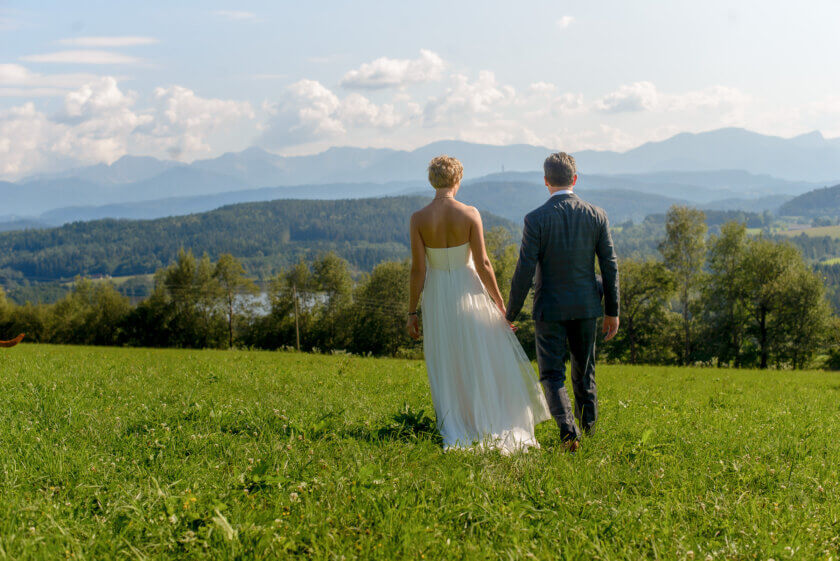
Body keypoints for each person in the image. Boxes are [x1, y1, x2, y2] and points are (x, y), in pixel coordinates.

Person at [406, 155, 550, 454]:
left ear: (432, 181)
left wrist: (411, 311)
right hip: (467, 289)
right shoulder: (470, 213)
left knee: (448, 357)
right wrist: (500, 303)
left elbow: (418, 270)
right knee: (479, 354)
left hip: (437, 294)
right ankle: (486, 415)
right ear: (457, 180)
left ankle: (457, 420)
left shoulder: (418, 218)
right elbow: (483, 263)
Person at [506, 152, 620, 450]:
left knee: (551, 374)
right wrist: (612, 311)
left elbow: (524, 271)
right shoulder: (597, 215)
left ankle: (569, 432)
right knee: (585, 371)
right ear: (575, 179)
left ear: (545, 181)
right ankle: (590, 431)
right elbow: (609, 265)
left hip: (550, 308)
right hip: (587, 306)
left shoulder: (536, 219)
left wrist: (511, 312)